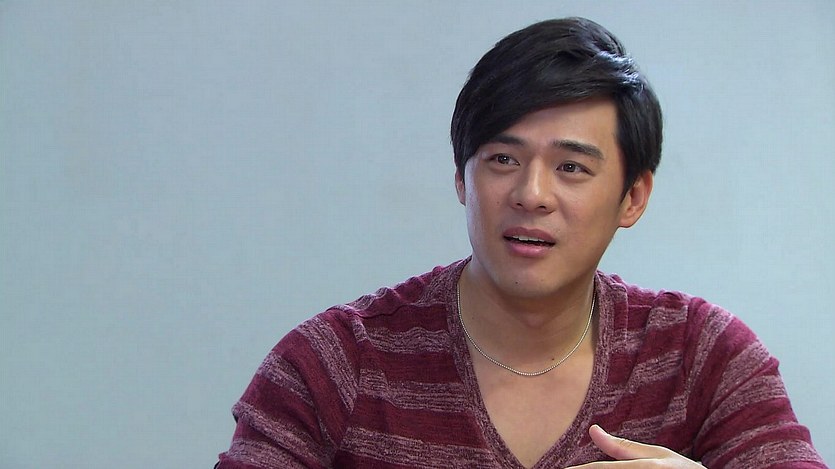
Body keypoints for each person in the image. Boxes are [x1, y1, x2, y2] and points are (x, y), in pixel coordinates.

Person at [216, 17, 825, 468]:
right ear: (462, 179)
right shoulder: (334, 364)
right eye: (503, 159)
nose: (531, 194)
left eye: (571, 168)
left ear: (633, 197)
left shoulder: (702, 357)